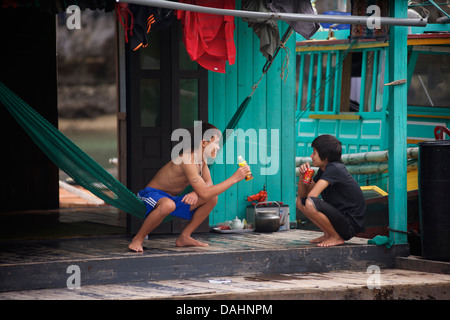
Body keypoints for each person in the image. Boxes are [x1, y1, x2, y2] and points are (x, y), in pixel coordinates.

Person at [128, 122, 250, 252]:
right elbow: (205, 191)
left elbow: (208, 184)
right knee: (169, 205)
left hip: (172, 199)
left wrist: (196, 193)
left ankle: (184, 237)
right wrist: (234, 178)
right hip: (151, 195)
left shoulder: (201, 161)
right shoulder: (187, 159)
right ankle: (138, 239)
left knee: (212, 198)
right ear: (204, 143)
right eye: (216, 143)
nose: (218, 147)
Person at [296, 135, 366, 247]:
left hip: (349, 225)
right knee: (300, 201)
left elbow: (312, 195)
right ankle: (328, 234)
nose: (311, 156)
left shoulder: (334, 168)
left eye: (314, 152)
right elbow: (303, 195)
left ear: (325, 155)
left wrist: (308, 183)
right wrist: (303, 176)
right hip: (340, 221)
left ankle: (335, 237)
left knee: (310, 202)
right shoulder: (324, 170)